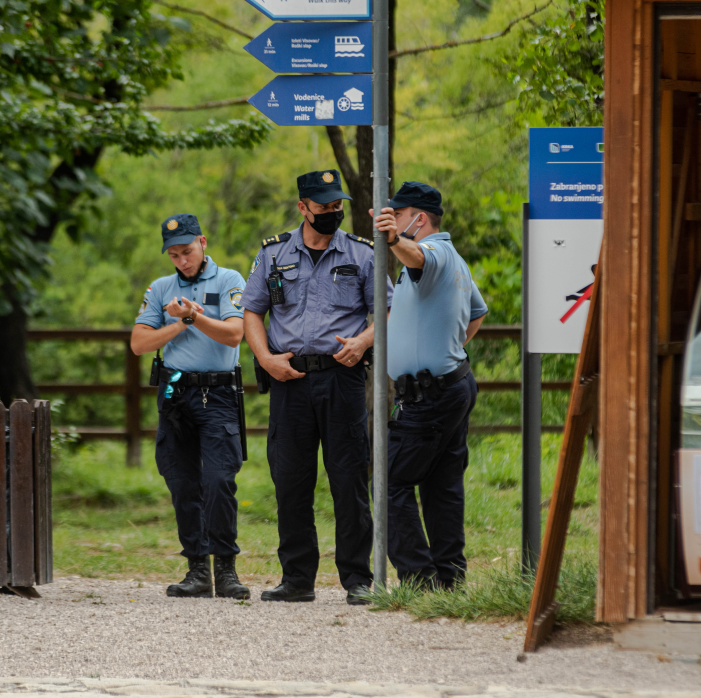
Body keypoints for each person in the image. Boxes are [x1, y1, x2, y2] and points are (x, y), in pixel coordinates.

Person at [241, 169, 394, 605]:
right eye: (324, 205)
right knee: (290, 479)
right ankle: (296, 579)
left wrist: (363, 341)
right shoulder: (273, 254)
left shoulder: (363, 253)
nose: (333, 212)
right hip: (289, 379)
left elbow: (386, 309)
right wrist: (266, 359)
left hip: (341, 378)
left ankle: (358, 579)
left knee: (348, 479)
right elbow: (252, 312)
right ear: (302, 207)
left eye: (337, 205)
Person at [373, 182, 488, 590]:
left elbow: (416, 254)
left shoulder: (433, 255)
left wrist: (392, 241)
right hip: (450, 386)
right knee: (442, 487)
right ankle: (449, 578)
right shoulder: (455, 260)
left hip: (430, 396)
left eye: (399, 215)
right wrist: (447, 346)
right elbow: (477, 312)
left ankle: (419, 580)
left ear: (417, 219)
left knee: (390, 482)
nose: (395, 222)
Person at [130, 214, 250, 600]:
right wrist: (180, 325)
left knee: (218, 481)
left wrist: (194, 315)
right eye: (174, 255)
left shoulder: (230, 279)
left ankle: (226, 569)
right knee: (182, 482)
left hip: (217, 395)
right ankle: (197, 569)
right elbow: (139, 343)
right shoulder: (161, 288)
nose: (182, 260)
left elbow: (235, 334)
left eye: (187, 251)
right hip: (176, 395)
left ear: (202, 241)